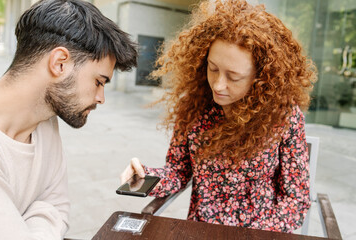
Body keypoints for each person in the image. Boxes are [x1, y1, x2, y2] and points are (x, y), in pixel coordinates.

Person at [121, 0, 317, 233]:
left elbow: (296, 200)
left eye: (233, 77)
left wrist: (253, 235)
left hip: (257, 233)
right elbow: (178, 172)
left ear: (261, 78)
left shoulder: (284, 117)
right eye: (213, 68)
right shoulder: (194, 108)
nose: (218, 84)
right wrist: (144, 175)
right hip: (200, 231)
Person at [0, 0, 137, 239]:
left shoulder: (44, 121)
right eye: (98, 82)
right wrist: (38, 214)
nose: (101, 98)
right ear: (59, 63)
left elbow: (57, 206)